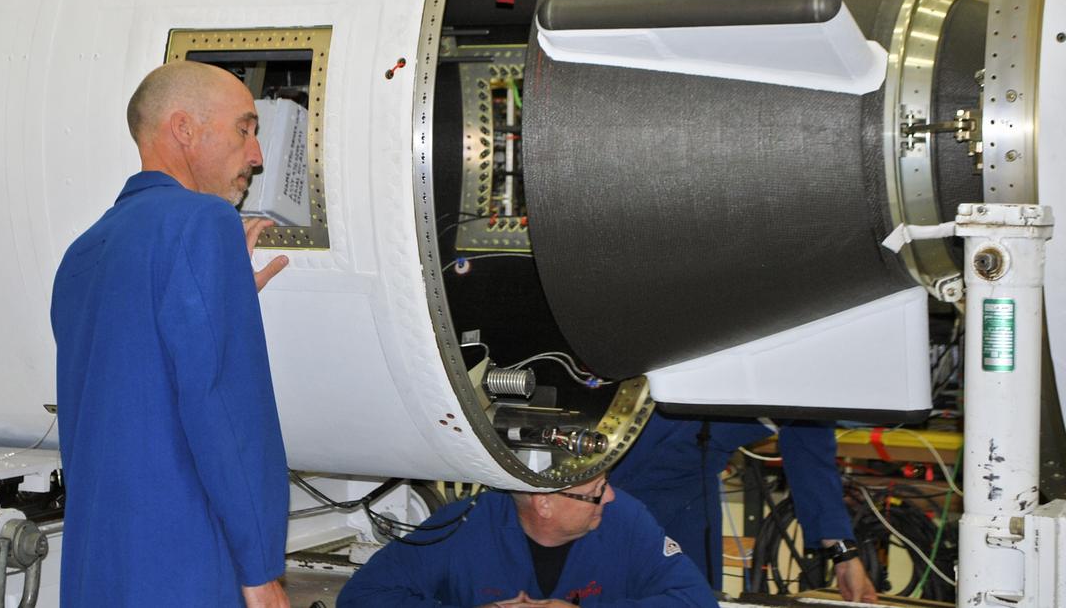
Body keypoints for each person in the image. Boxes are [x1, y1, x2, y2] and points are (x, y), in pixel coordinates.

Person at [51, 61, 291, 607]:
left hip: (99, 570)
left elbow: (134, 380)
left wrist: (225, 293)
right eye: (244, 128)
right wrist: (259, 569)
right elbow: (227, 414)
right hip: (187, 568)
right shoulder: (204, 223)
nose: (256, 155)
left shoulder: (83, 252)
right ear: (183, 129)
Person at [337, 473, 720, 607]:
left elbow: (696, 601)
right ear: (544, 504)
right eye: (597, 489)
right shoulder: (464, 525)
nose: (611, 496)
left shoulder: (626, 521)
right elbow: (363, 597)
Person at [609, 414, 877, 602]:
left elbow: (811, 451)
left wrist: (844, 554)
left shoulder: (812, 382)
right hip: (614, 479)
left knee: (696, 599)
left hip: (692, 485)